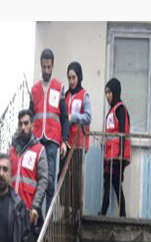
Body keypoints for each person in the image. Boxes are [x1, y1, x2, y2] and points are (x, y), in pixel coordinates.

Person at [29, 48, 69, 217]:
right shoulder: (35, 89)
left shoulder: (59, 87)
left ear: (53, 66)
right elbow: (30, 116)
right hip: (37, 140)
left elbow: (65, 118)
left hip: (53, 140)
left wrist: (64, 141)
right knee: (38, 180)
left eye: (49, 67)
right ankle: (38, 218)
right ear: (41, 66)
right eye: (44, 67)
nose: (46, 70)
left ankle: (48, 221)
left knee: (50, 181)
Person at [9, 109, 49, 225]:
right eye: (20, 124)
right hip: (10, 209)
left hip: (27, 210)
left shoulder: (39, 150)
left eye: (26, 123)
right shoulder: (11, 151)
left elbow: (43, 180)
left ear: (32, 125)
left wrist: (35, 206)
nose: (23, 127)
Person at [101, 78, 132, 217]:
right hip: (110, 154)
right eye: (106, 93)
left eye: (109, 92)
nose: (107, 96)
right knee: (112, 183)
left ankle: (104, 211)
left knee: (111, 182)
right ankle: (121, 213)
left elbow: (123, 132)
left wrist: (120, 153)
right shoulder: (112, 110)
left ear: (115, 92)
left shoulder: (120, 108)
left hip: (117, 155)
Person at [63, 61, 92, 213]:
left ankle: (76, 211)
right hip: (66, 142)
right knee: (65, 179)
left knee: (76, 178)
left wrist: (72, 117)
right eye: (69, 77)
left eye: (74, 77)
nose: (71, 81)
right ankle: (67, 210)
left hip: (78, 143)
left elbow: (88, 117)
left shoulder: (84, 95)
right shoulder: (66, 95)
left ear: (79, 77)